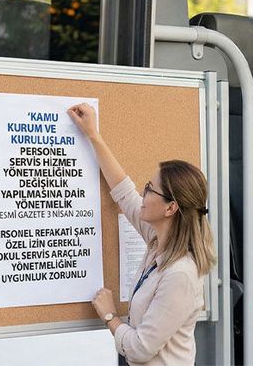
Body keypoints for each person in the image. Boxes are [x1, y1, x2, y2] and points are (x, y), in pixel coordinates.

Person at [67, 103, 216, 366]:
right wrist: (93, 134)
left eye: (150, 189)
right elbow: (123, 191)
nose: (143, 195)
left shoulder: (180, 274)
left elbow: (140, 349)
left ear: (171, 208)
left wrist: (109, 316)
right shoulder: (158, 240)